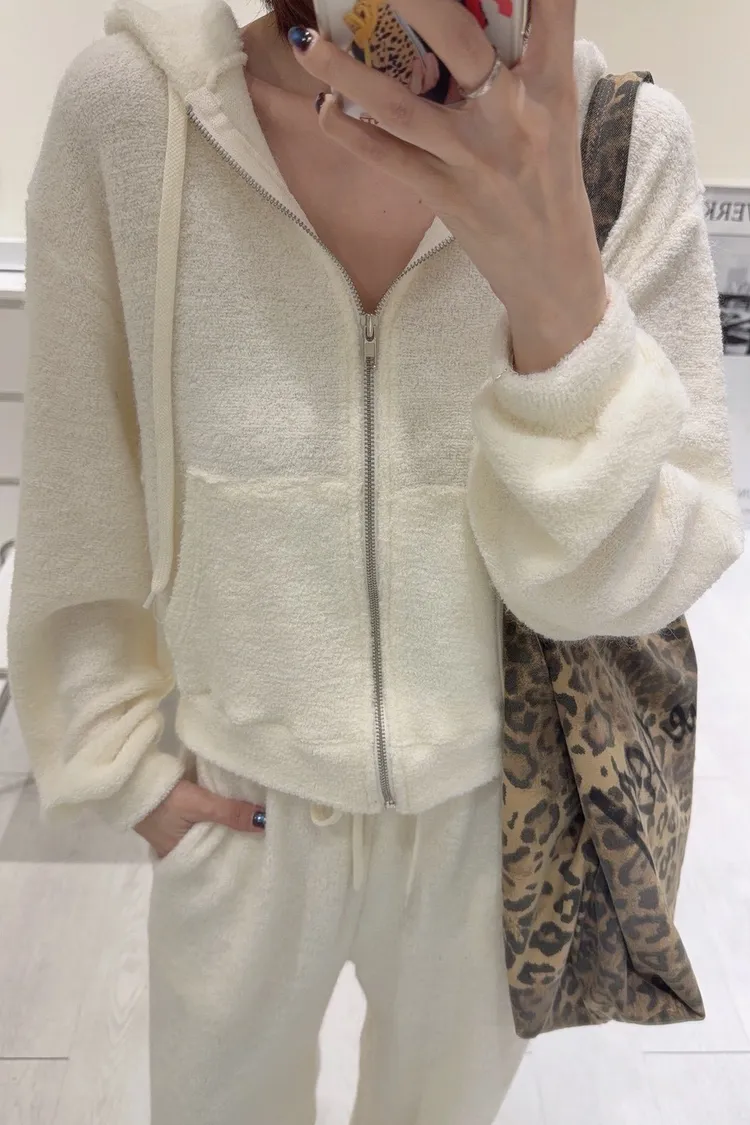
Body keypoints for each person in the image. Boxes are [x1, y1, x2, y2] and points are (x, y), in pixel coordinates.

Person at [7, 0, 744, 1122]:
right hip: (240, 804)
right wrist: (122, 762)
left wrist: (555, 291)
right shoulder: (131, 116)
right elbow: (80, 465)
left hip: (493, 814)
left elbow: (619, 585)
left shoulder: (619, 144)